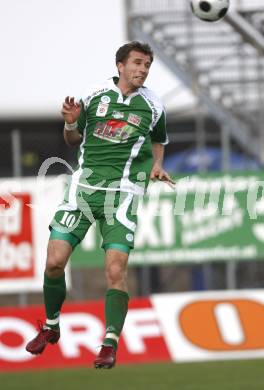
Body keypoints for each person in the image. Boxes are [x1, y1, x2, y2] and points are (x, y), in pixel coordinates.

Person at [25, 41, 174, 368]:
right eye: (137, 63)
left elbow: (158, 139)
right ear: (120, 66)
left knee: (115, 270)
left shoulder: (153, 105)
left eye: (147, 65)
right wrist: (70, 123)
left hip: (122, 194)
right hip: (83, 190)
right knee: (54, 262)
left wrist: (156, 165)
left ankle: (109, 343)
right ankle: (51, 327)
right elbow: (73, 139)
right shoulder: (94, 96)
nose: (142, 69)